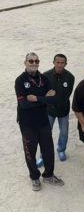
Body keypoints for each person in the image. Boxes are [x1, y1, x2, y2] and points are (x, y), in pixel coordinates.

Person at [17, 52, 63, 190]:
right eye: (31, 61)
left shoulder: (44, 78)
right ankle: (34, 177)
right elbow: (23, 104)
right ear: (25, 63)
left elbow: (54, 99)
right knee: (30, 152)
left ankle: (48, 175)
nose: (34, 63)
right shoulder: (20, 81)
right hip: (27, 124)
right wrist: (44, 99)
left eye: (36, 60)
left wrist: (36, 98)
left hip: (43, 121)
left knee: (48, 150)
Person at [43, 53, 75, 162]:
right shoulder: (45, 76)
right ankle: (44, 154)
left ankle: (61, 149)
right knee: (46, 133)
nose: (60, 65)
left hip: (63, 110)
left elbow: (68, 94)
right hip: (48, 110)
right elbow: (42, 93)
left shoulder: (70, 77)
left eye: (62, 63)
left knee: (64, 132)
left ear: (66, 64)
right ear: (53, 62)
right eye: (58, 62)